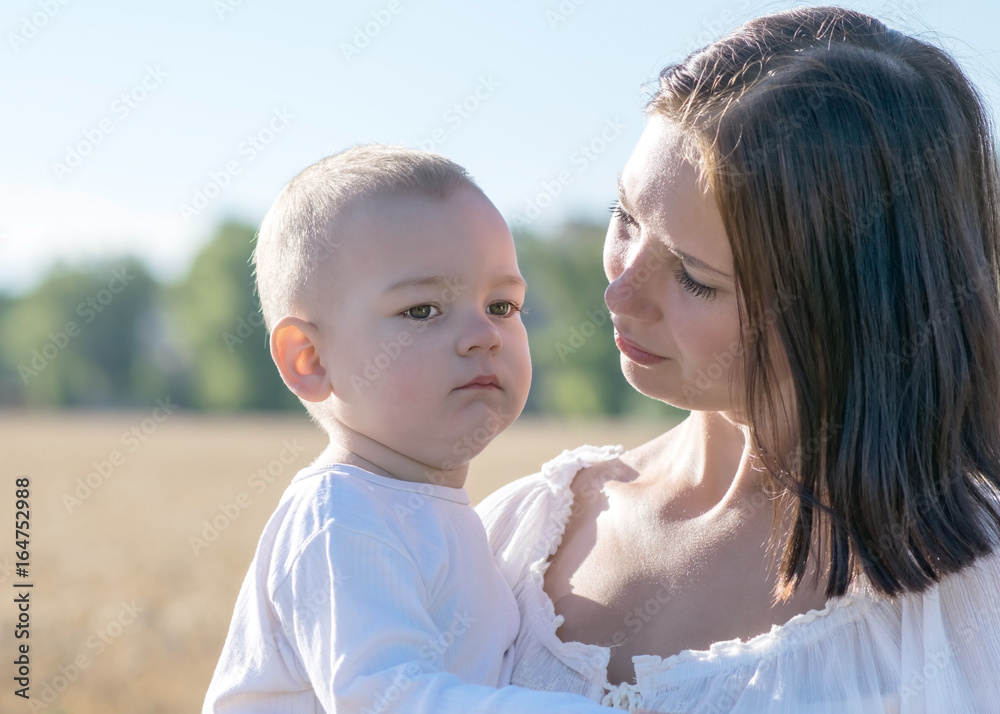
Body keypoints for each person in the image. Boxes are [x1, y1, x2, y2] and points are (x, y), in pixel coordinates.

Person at [478, 7, 1000, 712]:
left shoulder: (972, 600)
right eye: (626, 218)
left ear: (849, 308)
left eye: (694, 277)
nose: (620, 291)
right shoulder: (514, 537)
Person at [202, 145, 620, 713]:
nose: (484, 335)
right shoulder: (338, 515)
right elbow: (390, 699)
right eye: (422, 310)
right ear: (310, 359)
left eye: (501, 305)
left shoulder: (434, 512)